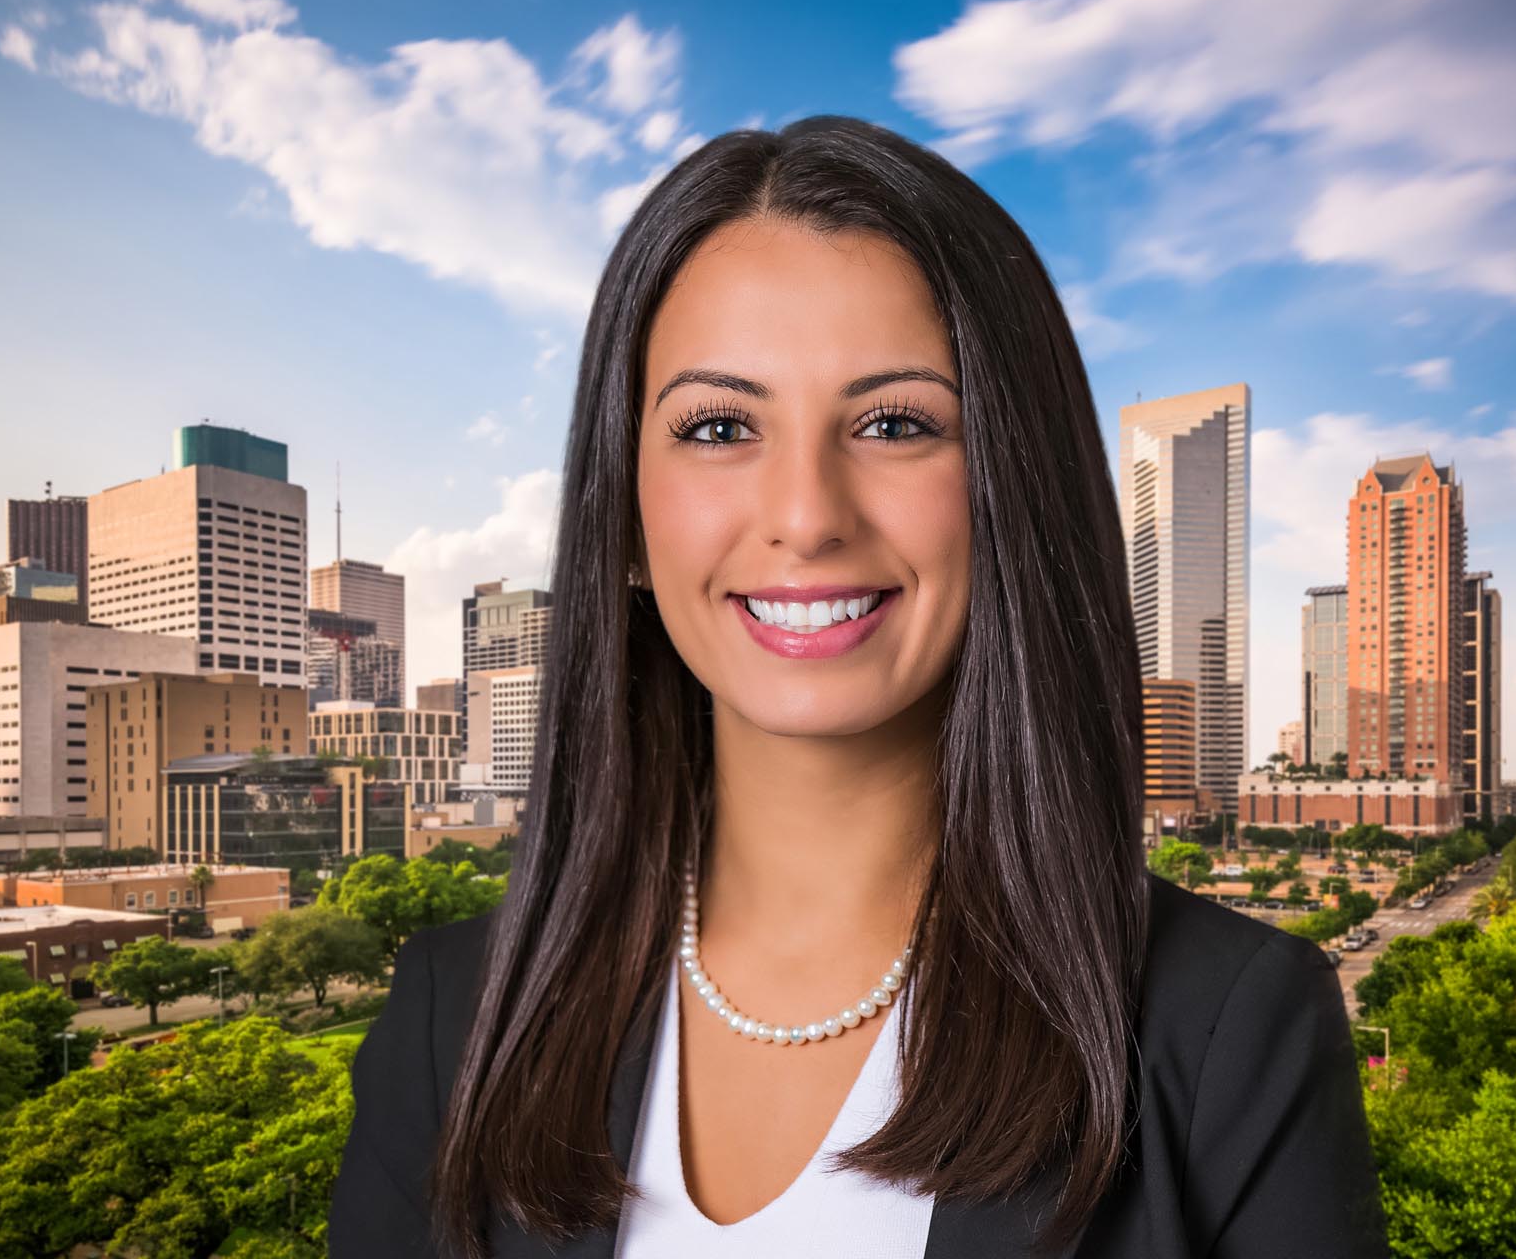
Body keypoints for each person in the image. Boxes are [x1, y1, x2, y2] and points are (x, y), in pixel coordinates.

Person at [329, 114, 1385, 1258]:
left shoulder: (1228, 1032)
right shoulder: (454, 1020)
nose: (806, 514)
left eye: (894, 423)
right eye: (721, 425)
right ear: (624, 514)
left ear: (1007, 489)